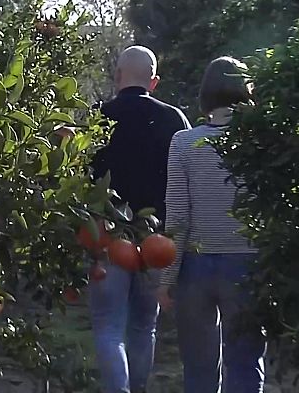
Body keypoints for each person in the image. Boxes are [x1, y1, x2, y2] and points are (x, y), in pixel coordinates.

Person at [157, 56, 266, 393]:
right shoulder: (262, 141)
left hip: (196, 266)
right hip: (248, 263)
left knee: (199, 370)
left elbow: (177, 215)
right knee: (246, 365)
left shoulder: (183, 142)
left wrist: (167, 277)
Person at [89, 45, 191, 393]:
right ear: (154, 81)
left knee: (107, 325)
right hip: (156, 240)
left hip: (107, 236)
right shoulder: (174, 120)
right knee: (143, 325)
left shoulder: (97, 117)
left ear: (117, 77)